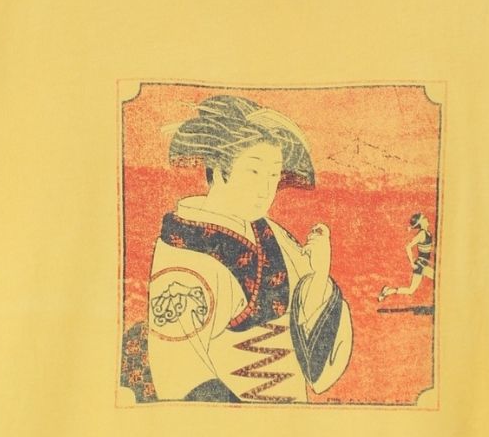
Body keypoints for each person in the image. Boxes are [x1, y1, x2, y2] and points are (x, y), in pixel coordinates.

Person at [139, 94, 353, 402]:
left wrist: (318, 277)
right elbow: (179, 371)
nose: (266, 189)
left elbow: (317, 367)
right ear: (219, 170)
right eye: (253, 172)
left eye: (273, 175)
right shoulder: (183, 252)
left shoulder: (271, 234)